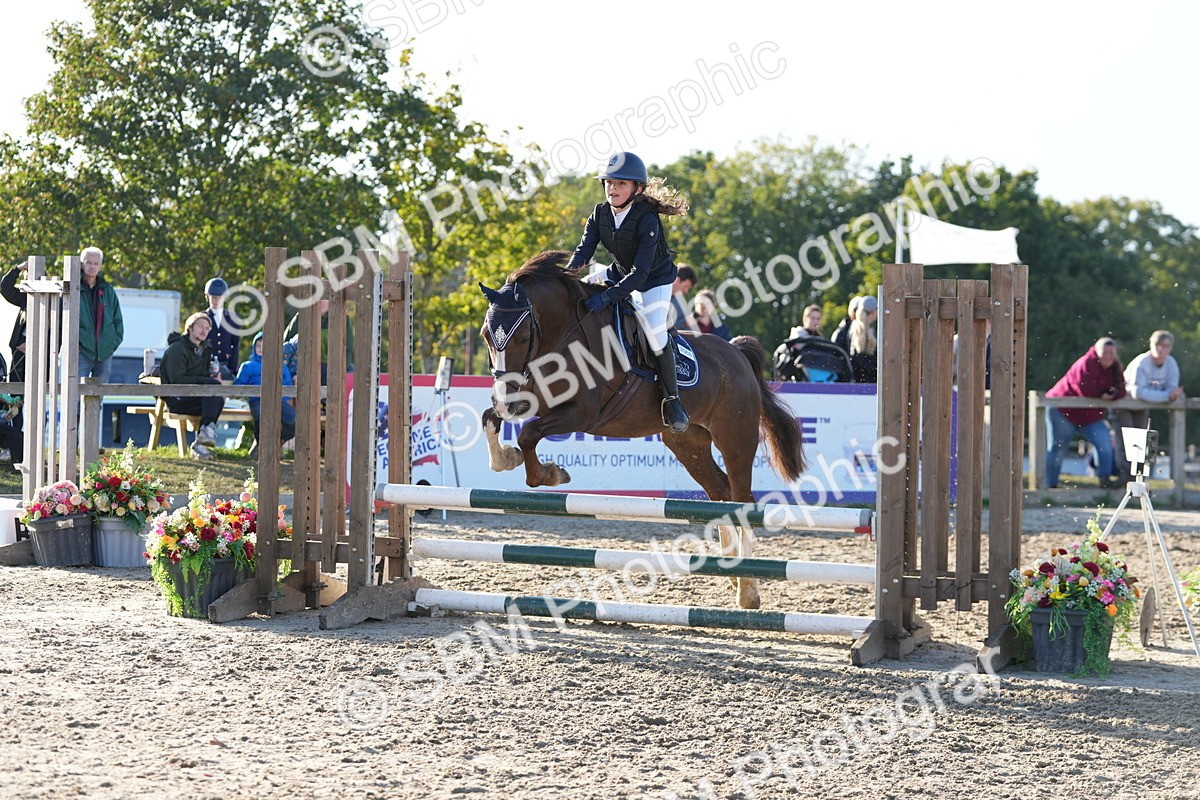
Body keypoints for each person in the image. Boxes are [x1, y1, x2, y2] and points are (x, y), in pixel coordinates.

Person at [567, 151, 691, 434]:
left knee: (656, 332)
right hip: (620, 272)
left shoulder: (647, 220)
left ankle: (673, 401)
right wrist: (566, 277)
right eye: (610, 182)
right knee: (576, 295)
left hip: (653, 281)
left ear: (637, 189)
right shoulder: (599, 214)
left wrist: (607, 297)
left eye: (621, 184)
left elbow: (641, 274)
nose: (613, 188)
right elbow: (583, 252)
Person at [1044, 337, 1125, 489]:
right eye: (1104, 352)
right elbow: (1084, 390)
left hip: (1090, 414)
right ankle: (1050, 485)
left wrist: (1112, 394)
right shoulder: (1086, 363)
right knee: (1058, 447)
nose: (1108, 356)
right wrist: (1103, 396)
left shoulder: (1115, 368)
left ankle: (1104, 480)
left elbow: (1121, 389)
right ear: (1097, 351)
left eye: (1111, 352)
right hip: (1063, 410)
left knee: (1104, 442)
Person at [1114, 330, 1183, 478]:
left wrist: (1169, 395)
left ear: (1170, 348)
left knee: (1145, 440)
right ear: (1151, 345)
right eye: (1157, 345)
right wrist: (1166, 396)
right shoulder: (1142, 363)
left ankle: (1143, 477)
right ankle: (1124, 475)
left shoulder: (1171, 364)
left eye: (1165, 346)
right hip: (1125, 404)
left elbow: (1173, 389)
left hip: (1143, 406)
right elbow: (1138, 393)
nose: (1160, 349)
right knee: (1127, 439)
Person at [160, 312, 225, 459]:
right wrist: (208, 382)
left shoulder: (205, 350)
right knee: (213, 392)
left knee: (217, 397)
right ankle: (203, 440)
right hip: (176, 398)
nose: (204, 330)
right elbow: (177, 380)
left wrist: (212, 378)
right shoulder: (177, 348)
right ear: (190, 328)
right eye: (200, 326)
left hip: (195, 397)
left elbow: (201, 378)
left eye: (207, 328)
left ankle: (202, 442)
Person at [234, 332, 296, 451]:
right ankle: (261, 447)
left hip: (278, 401)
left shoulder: (280, 367)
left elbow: (287, 387)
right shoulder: (247, 366)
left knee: (293, 419)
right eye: (258, 345)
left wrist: (279, 399)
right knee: (263, 416)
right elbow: (239, 386)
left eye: (265, 345)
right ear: (254, 347)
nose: (261, 349)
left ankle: (277, 445)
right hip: (257, 401)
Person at [282, 298, 355, 385]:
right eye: (319, 298)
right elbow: (286, 344)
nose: (322, 302)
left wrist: (339, 370)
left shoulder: (343, 319)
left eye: (325, 299)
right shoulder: (302, 316)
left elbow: (348, 349)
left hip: (332, 364)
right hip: (304, 364)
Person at [78, 246, 124, 383]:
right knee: (75, 397)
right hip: (81, 353)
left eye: (96, 263)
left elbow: (117, 320)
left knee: (98, 398)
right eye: (88, 262)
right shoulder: (74, 288)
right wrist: (78, 344)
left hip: (105, 353)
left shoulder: (108, 290)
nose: (92, 266)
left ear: (100, 266)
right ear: (81, 263)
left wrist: (111, 344)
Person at [0, 262, 28, 465]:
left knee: (32, 404)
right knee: (16, 404)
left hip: (41, 359)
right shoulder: (25, 299)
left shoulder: (57, 301)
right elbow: (5, 287)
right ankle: (16, 453)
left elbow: (58, 333)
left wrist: (34, 344)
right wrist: (19, 268)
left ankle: (25, 452)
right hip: (19, 358)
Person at [203, 277, 240, 379]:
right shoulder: (202, 317)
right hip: (205, 366)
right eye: (213, 297)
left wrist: (232, 368)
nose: (217, 300)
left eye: (220, 297)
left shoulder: (233, 318)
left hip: (226, 365)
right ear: (207, 297)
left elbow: (235, 344)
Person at [848, 296, 878, 383]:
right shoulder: (858, 329)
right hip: (863, 379)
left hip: (863, 378)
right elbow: (857, 357)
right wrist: (876, 369)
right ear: (873, 311)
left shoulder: (866, 328)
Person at [666, 264, 697, 331]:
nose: (686, 291)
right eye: (685, 287)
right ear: (678, 280)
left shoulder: (679, 303)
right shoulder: (657, 292)